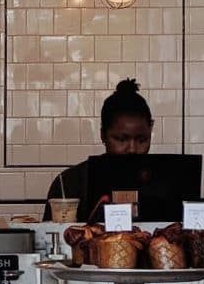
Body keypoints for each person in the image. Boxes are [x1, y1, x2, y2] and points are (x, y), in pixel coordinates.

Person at [45, 78, 153, 222]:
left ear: (150, 131)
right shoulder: (69, 183)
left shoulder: (167, 182)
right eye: (121, 139)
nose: (132, 149)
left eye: (141, 140)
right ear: (103, 135)